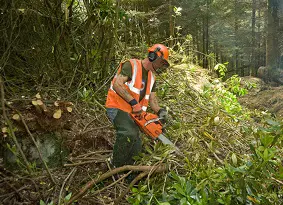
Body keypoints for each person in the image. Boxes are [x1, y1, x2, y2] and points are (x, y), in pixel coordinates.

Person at [105, 44, 170, 168]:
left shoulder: (152, 78)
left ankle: (129, 172)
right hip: (117, 107)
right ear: (153, 56)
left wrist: (160, 111)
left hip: (133, 114)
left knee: (136, 146)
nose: (161, 66)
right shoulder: (132, 65)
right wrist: (134, 103)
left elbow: (153, 100)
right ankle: (114, 166)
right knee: (128, 133)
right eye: (161, 62)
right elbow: (117, 84)